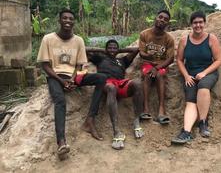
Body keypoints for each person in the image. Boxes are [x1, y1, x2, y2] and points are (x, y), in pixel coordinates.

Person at [37, 9, 107, 156]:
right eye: (65, 18)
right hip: (55, 77)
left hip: (72, 76)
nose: (68, 21)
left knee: (101, 78)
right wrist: (61, 81)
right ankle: (61, 142)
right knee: (60, 101)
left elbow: (79, 65)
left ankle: (90, 120)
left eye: (70, 19)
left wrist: (73, 78)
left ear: (74, 21)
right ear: (59, 20)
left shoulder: (79, 40)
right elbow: (45, 65)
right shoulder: (48, 39)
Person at [171, 11, 221, 144]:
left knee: (203, 86)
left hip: (209, 72)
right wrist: (186, 76)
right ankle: (186, 132)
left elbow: (218, 60)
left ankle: (203, 123)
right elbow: (180, 60)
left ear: (204, 23)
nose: (198, 25)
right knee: (190, 100)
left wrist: (205, 73)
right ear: (191, 24)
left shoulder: (212, 39)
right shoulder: (184, 40)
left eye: (200, 22)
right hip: (190, 74)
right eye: (195, 22)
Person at [87, 39, 144, 150]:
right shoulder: (100, 58)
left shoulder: (122, 60)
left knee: (137, 83)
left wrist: (119, 50)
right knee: (111, 88)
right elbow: (84, 49)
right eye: (110, 48)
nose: (112, 50)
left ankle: (136, 121)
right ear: (106, 49)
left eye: (114, 48)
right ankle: (116, 131)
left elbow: (137, 49)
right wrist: (103, 51)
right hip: (107, 83)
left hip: (121, 84)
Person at [139, 10, 175, 124]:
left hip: (161, 65)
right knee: (147, 74)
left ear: (167, 23)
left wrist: (157, 67)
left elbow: (170, 59)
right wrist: (149, 57)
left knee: (160, 75)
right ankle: (145, 109)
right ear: (156, 18)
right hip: (147, 63)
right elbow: (141, 53)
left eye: (165, 19)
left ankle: (161, 111)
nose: (162, 20)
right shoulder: (144, 34)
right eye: (160, 17)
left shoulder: (169, 39)